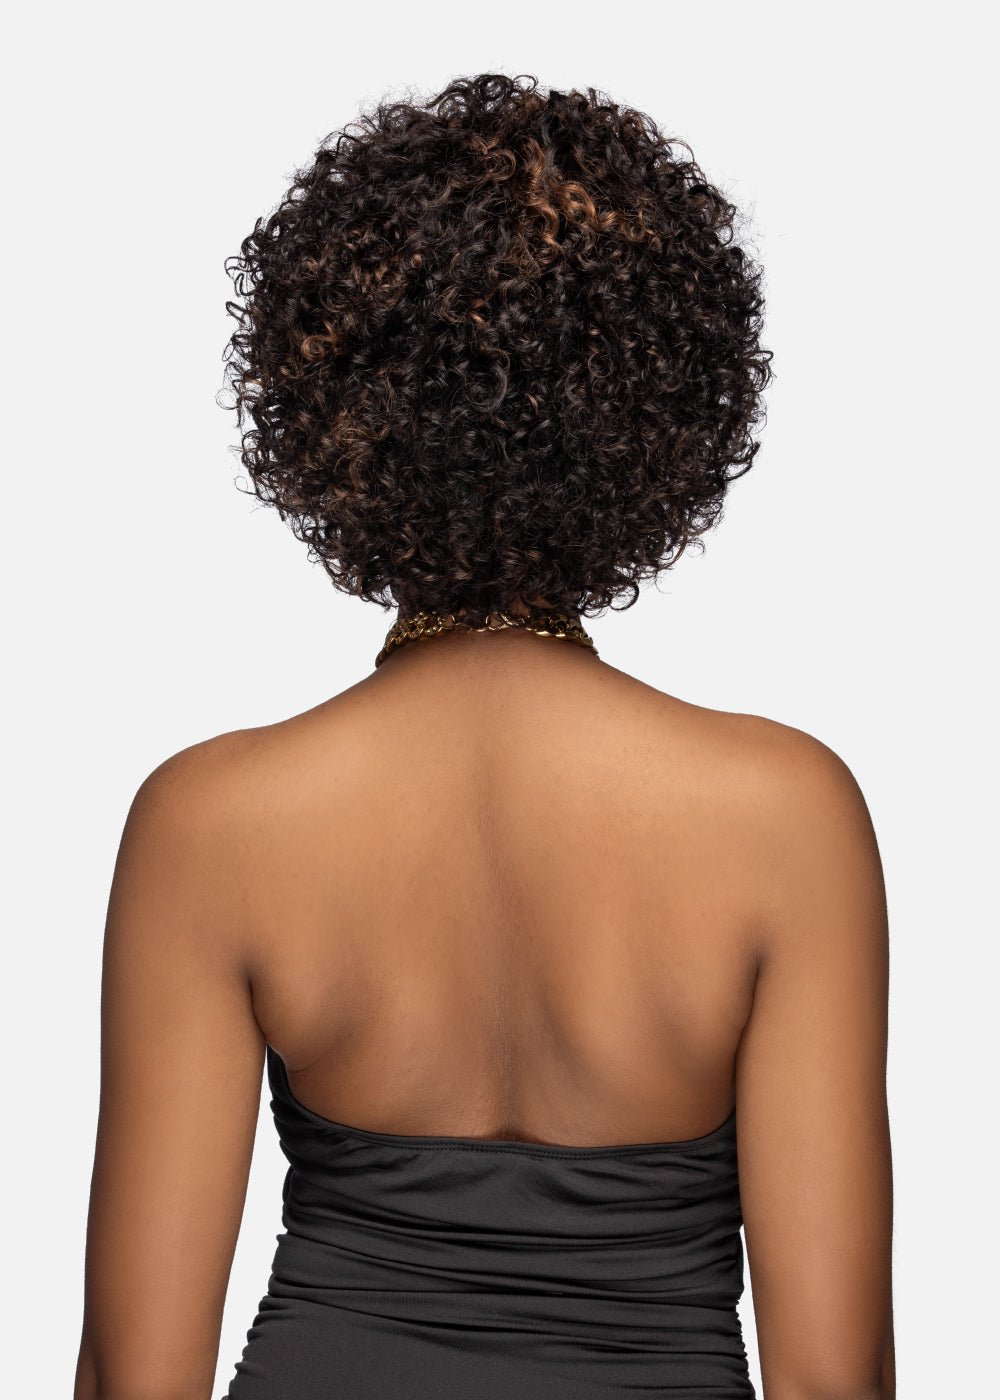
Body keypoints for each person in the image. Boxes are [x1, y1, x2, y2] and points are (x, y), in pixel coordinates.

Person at [74, 72, 894, 1400]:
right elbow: (835, 1380)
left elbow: (135, 1380)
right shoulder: (783, 813)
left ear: (336, 408)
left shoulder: (213, 819)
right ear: (660, 410)